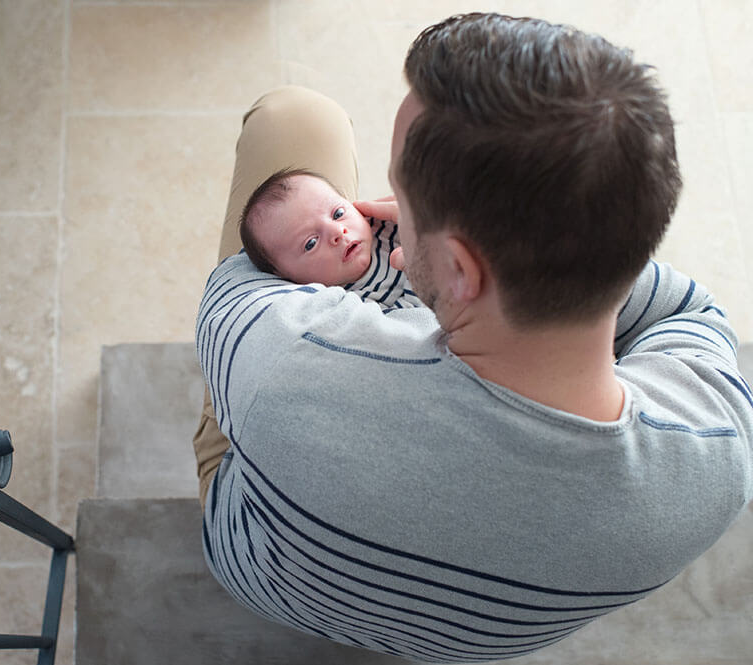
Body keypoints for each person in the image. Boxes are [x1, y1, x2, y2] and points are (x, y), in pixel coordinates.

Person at [193, 12, 752, 664]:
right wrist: (571, 241)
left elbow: (233, 287)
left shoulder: (285, 358)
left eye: (401, 190)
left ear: (460, 269)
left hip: (262, 566)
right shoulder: (720, 454)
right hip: (474, 638)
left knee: (296, 117)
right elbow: (695, 313)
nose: (379, 211)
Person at [238, 168, 421, 309]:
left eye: (338, 213)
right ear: (287, 278)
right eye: (311, 243)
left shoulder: (384, 226)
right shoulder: (345, 304)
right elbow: (409, 327)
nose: (337, 232)